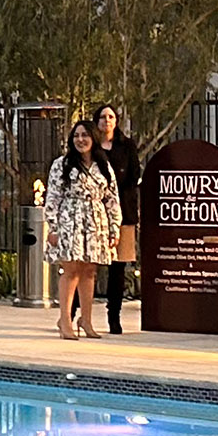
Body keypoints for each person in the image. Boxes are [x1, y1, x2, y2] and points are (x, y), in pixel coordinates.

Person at [45, 120, 120, 340]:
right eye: (76, 136)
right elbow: (53, 197)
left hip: (96, 221)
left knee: (89, 271)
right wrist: (53, 227)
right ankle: (65, 321)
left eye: (85, 135)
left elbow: (112, 198)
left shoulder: (103, 165)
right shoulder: (62, 164)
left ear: (93, 138)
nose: (80, 140)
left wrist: (114, 228)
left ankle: (86, 320)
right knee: (71, 270)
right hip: (70, 219)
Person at [94, 105, 141, 333]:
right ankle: (74, 312)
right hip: (95, 212)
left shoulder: (127, 145)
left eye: (111, 116)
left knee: (118, 267)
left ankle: (114, 316)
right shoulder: (91, 146)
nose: (107, 120)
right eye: (103, 117)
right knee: (87, 265)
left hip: (123, 213)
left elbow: (134, 176)